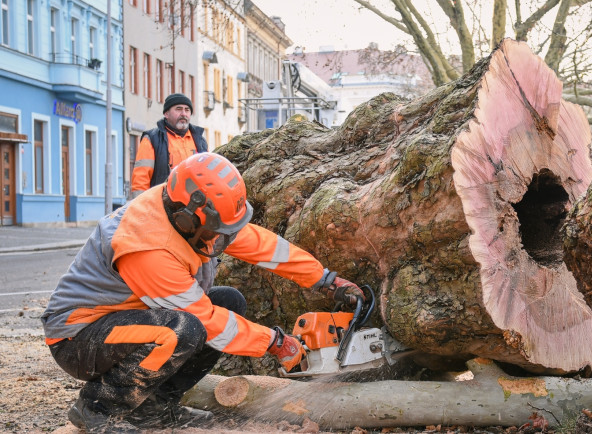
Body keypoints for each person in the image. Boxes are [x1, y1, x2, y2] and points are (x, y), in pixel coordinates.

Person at [42, 153, 359, 432]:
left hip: (126, 319)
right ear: (185, 217)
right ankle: (97, 409)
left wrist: (325, 279)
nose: (220, 240)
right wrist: (275, 343)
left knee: (230, 303)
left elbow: (263, 246)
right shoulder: (147, 247)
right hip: (78, 337)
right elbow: (204, 321)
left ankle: (154, 409)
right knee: (183, 329)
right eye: (214, 233)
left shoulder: (197, 213)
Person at [130, 93, 208, 199]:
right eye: (178, 109)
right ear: (166, 114)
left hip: (194, 205)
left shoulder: (200, 141)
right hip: (163, 206)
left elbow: (207, 176)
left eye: (187, 110)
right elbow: (140, 180)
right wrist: (140, 209)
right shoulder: (152, 139)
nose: (183, 114)